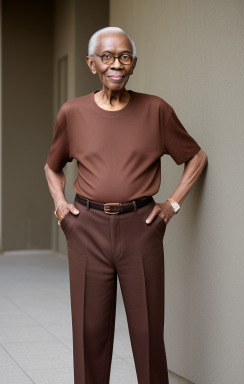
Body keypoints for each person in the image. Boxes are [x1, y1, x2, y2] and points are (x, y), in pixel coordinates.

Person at [44, 26, 208, 384]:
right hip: (86, 228)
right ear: (92, 64)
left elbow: (196, 157)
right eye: (106, 57)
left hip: (141, 229)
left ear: (133, 64)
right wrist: (60, 206)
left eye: (124, 56)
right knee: (90, 335)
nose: (115, 64)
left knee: (147, 335)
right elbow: (52, 166)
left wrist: (172, 206)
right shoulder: (72, 113)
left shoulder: (157, 110)